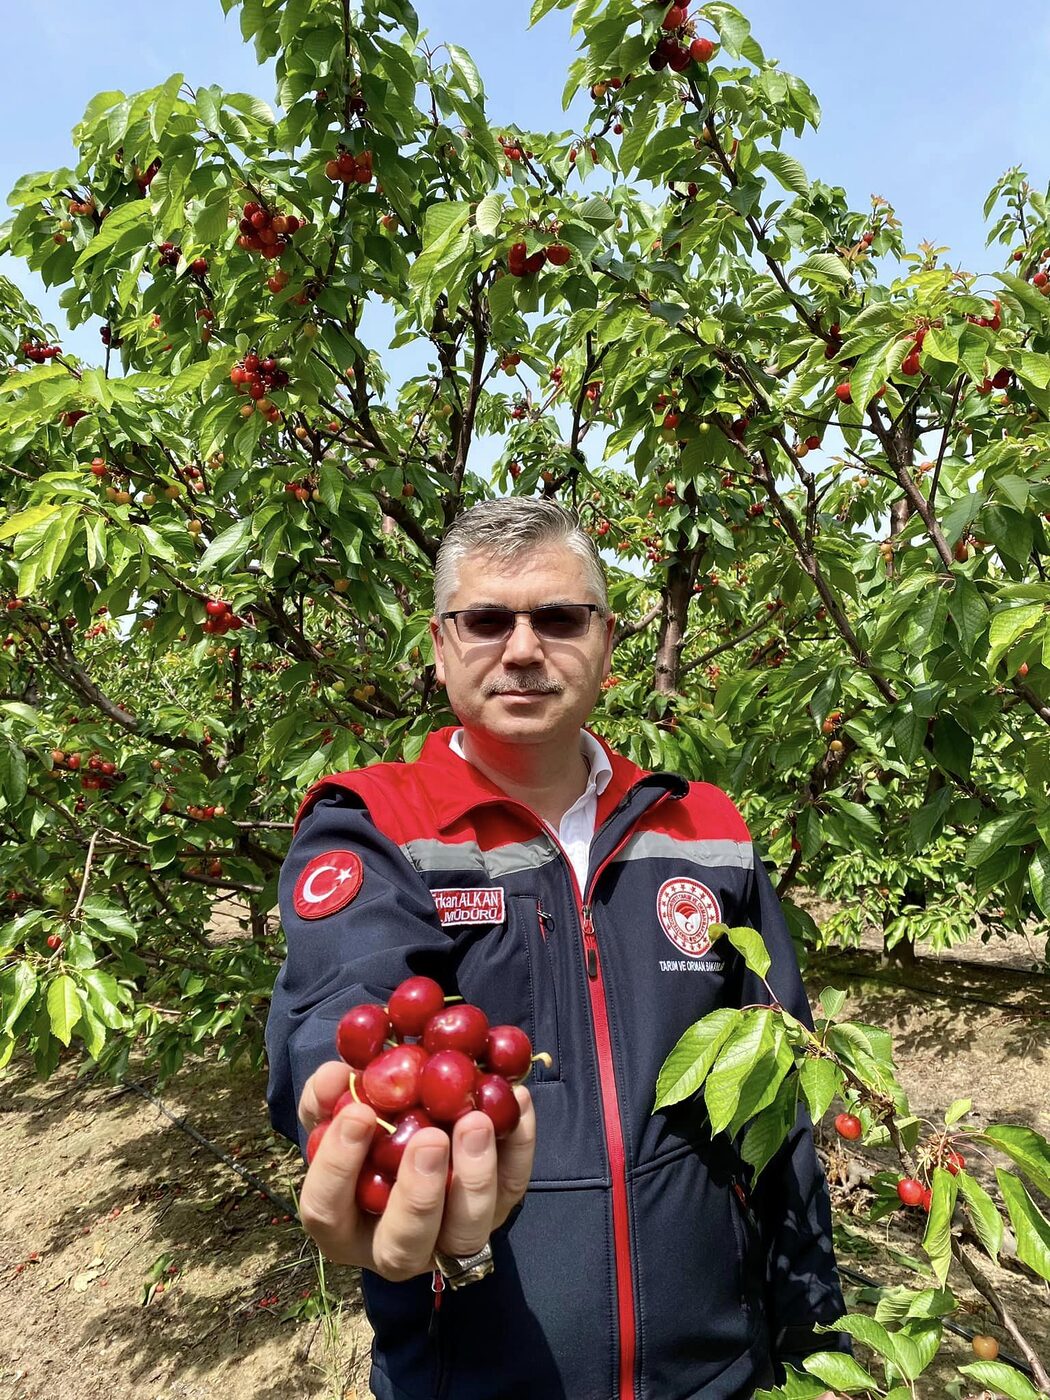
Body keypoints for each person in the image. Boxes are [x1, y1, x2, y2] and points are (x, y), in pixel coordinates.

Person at [265, 498, 851, 1400]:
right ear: (438, 643)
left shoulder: (705, 829)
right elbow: (346, 992)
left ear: (607, 640)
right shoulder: (378, 825)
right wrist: (336, 1091)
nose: (524, 648)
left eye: (559, 617)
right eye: (487, 620)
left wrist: (816, 1335)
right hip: (476, 1373)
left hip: (718, 1371)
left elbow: (781, 1087)